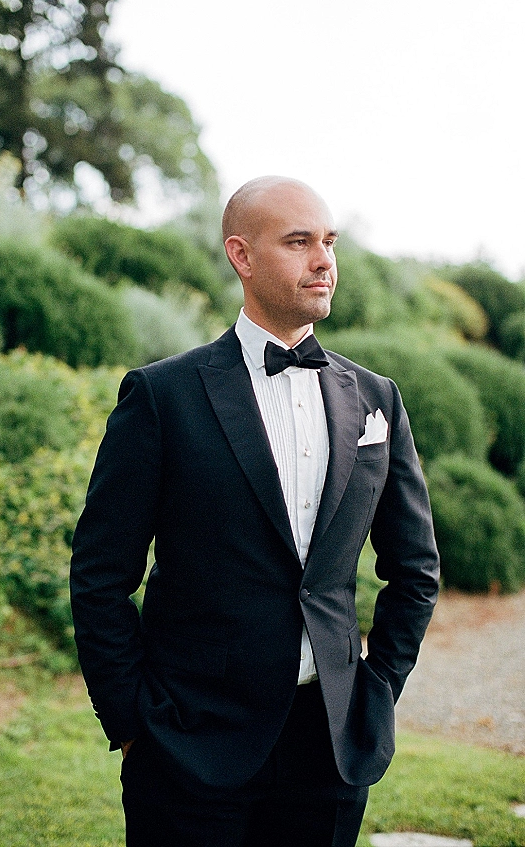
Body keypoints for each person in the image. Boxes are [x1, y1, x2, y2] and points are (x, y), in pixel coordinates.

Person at [70, 176, 440, 847]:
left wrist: (375, 690)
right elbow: (100, 573)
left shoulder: (378, 398)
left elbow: (415, 570)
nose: (323, 259)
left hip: (329, 748)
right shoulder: (161, 396)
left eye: (328, 241)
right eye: (299, 242)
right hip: (188, 744)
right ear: (241, 255)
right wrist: (130, 720)